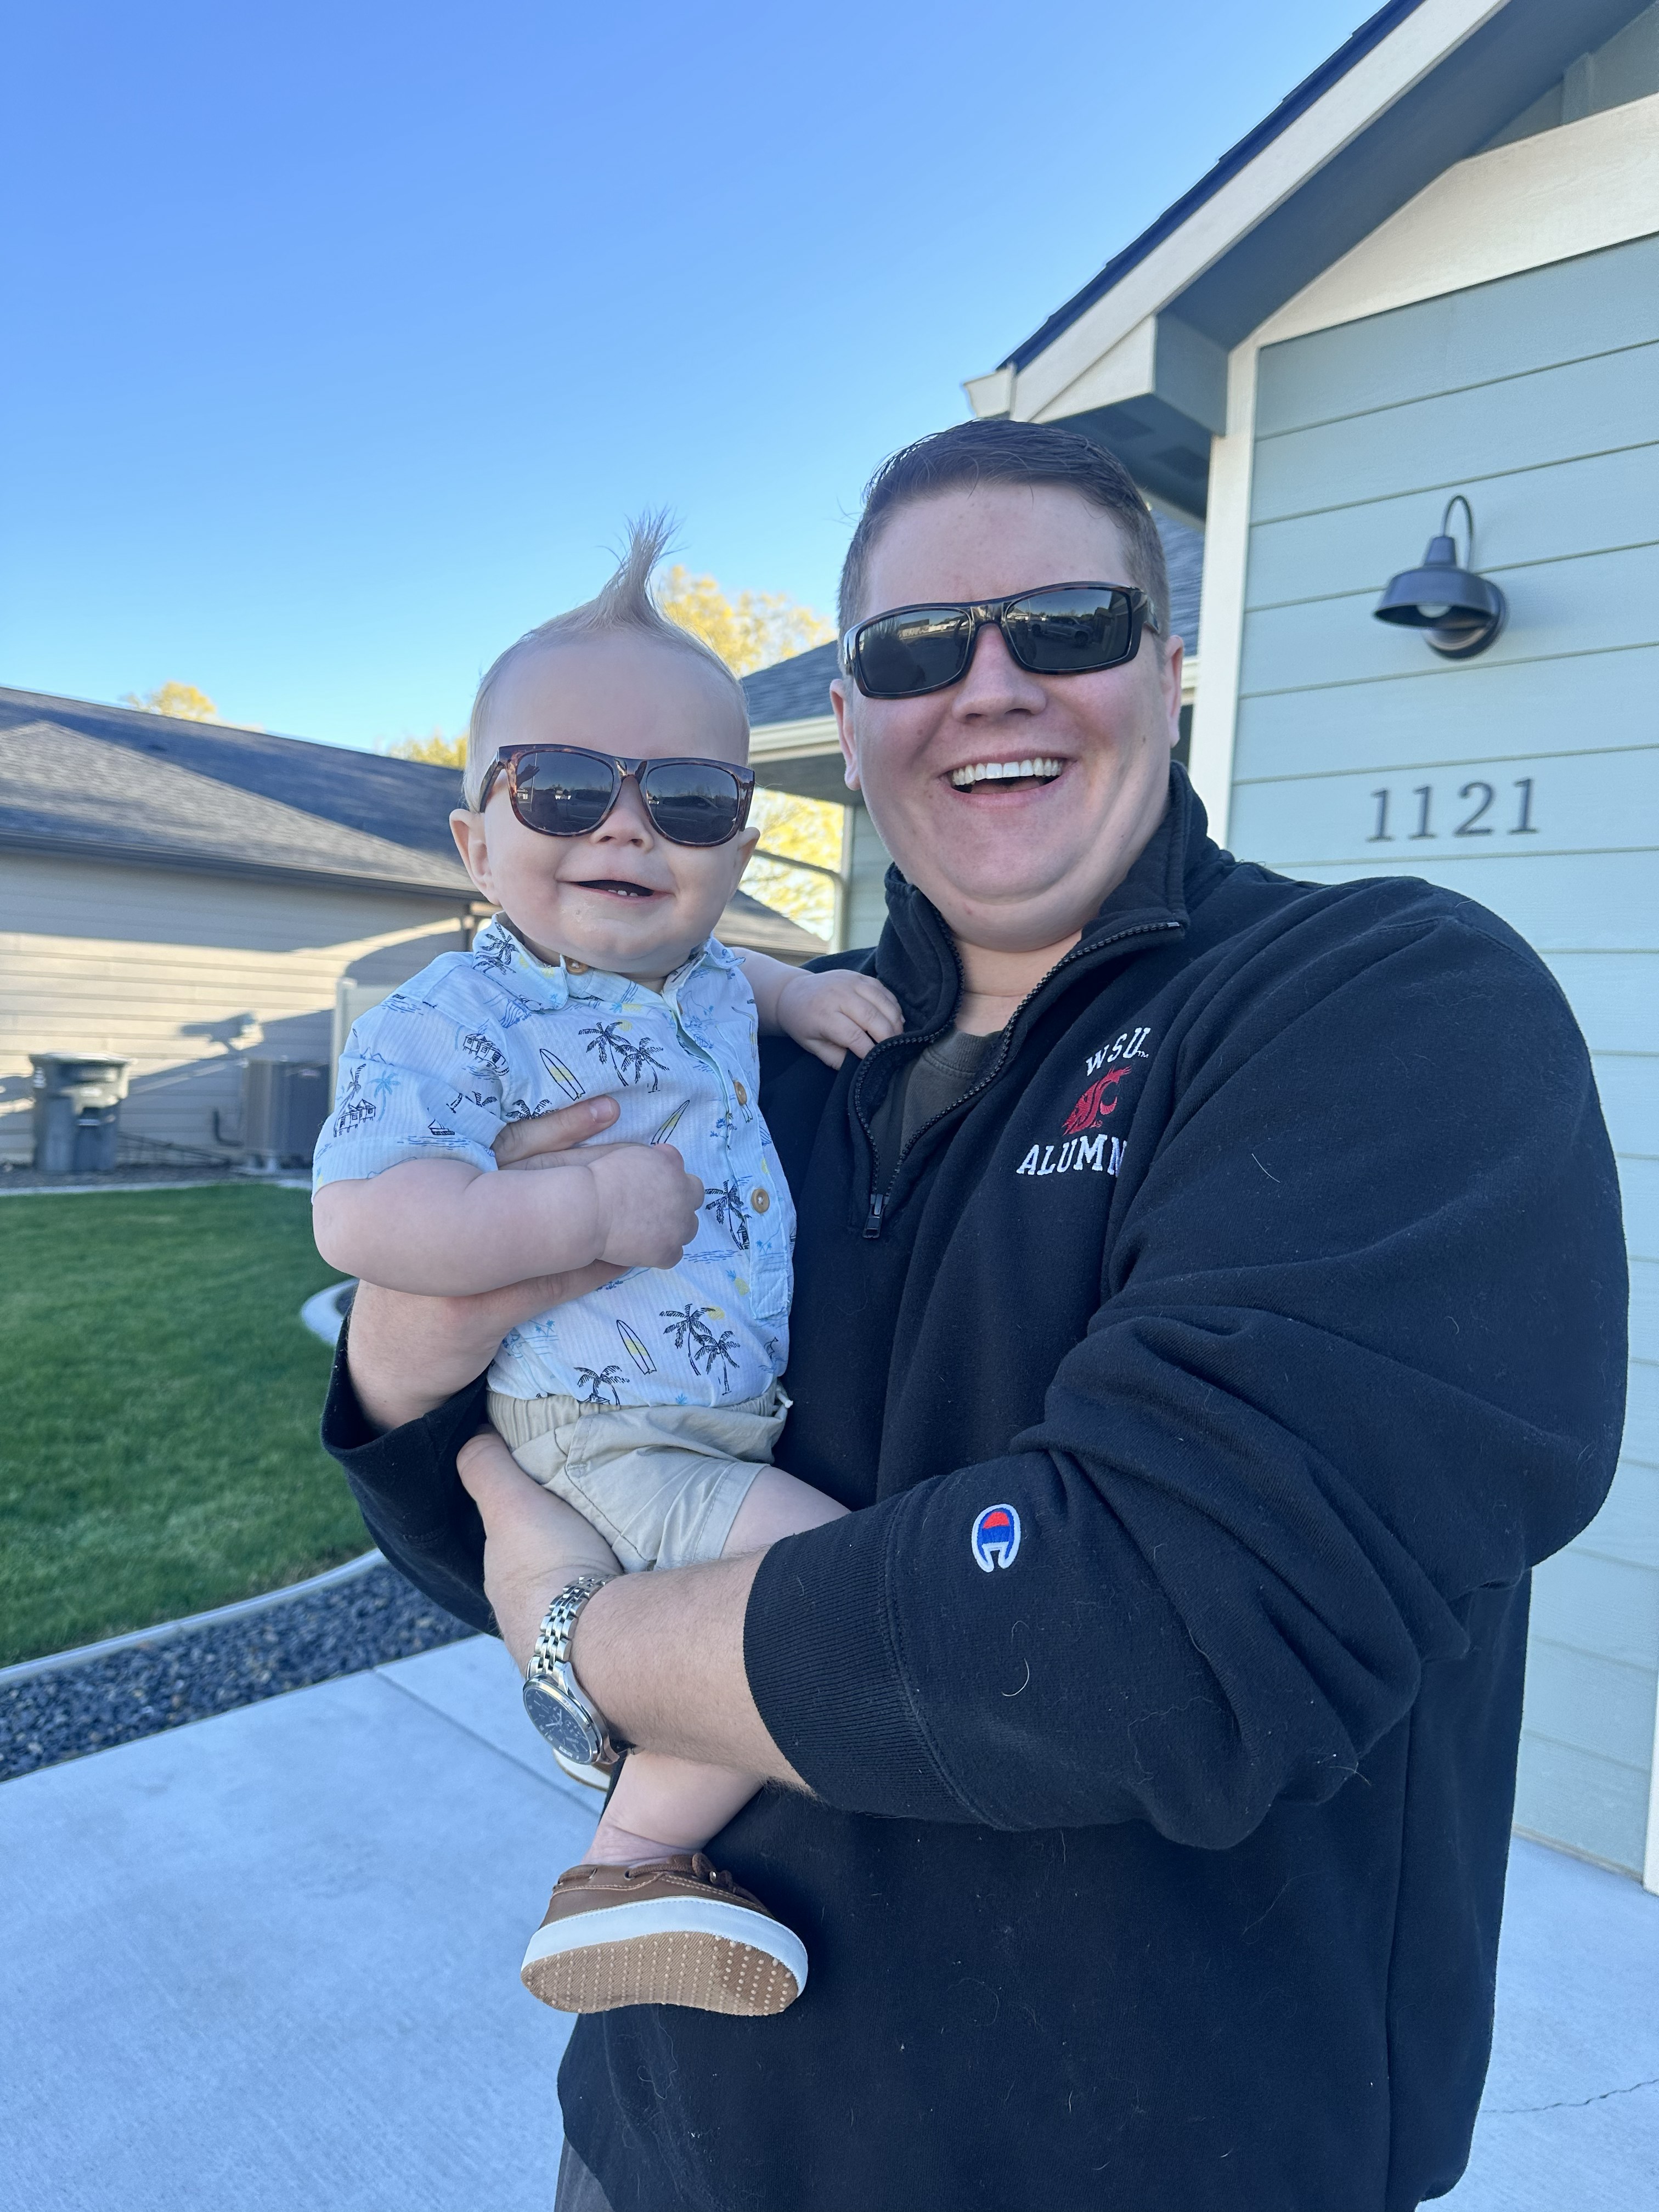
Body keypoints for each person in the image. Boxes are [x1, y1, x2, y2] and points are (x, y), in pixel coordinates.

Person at [323, 420, 1627, 2212]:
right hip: (655, 2147)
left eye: (1069, 625)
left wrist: (590, 1646)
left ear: (1171, 672)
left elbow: (1153, 1636)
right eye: (915, 651)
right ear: (851, 727)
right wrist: (413, 1366)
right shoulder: (748, 1059)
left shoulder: (1386, 1007)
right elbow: (468, 1479)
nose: (988, 686)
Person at [313, 519, 900, 2017]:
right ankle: (627, 1863)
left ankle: (612, 1754)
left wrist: (801, 990)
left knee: (810, 1603)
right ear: (476, 842)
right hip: (613, 1424)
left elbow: (720, 974)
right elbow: (366, 1218)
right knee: (838, 1595)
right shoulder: (452, 1020)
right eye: (565, 790)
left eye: (690, 802)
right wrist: (574, 1213)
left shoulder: (705, 975)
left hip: (696, 1417)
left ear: (743, 846)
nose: (625, 834)